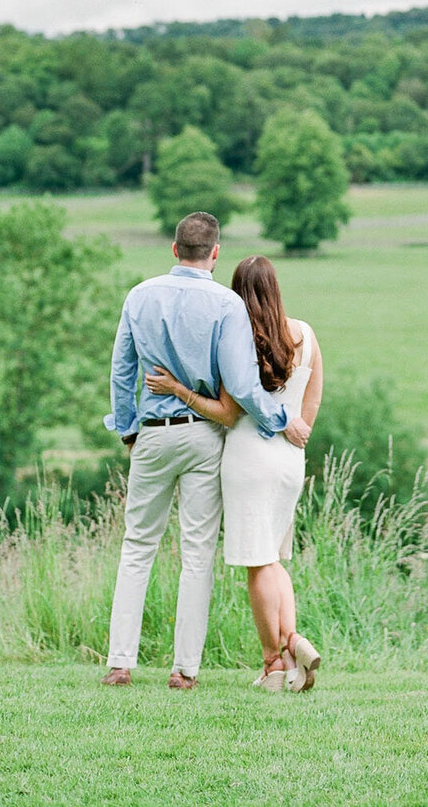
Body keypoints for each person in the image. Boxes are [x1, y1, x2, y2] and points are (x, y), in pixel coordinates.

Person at [101, 212, 309, 690]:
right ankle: (184, 670)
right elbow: (240, 383)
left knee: (137, 547)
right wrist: (281, 420)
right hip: (202, 436)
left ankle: (120, 662)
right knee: (197, 553)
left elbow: (121, 372)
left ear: (174, 250)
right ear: (215, 254)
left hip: (153, 432)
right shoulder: (226, 305)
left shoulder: (140, 296)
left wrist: (129, 429)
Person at [146, 253, 324, 692]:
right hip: (289, 459)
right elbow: (313, 398)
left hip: (249, 457)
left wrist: (178, 390)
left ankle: (276, 660)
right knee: (275, 557)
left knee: (256, 560)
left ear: (238, 291)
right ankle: (290, 649)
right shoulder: (304, 333)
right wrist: (298, 434)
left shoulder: (240, 339)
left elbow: (227, 414)